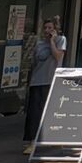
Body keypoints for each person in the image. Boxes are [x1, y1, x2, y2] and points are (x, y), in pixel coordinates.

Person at [23, 19, 66, 149]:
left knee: (52, 111)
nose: (47, 30)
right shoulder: (39, 44)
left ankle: (53, 138)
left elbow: (58, 56)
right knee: (34, 112)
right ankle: (32, 140)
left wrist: (52, 41)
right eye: (45, 28)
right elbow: (34, 63)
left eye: (50, 28)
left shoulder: (60, 40)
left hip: (52, 80)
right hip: (37, 80)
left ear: (55, 29)